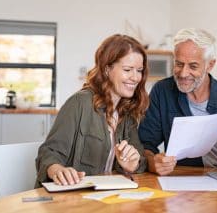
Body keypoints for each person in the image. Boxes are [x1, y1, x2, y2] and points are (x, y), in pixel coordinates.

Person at [35, 34, 149, 187]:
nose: (135, 78)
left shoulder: (127, 112)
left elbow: (141, 160)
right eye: (128, 70)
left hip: (106, 197)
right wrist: (57, 170)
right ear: (107, 69)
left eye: (139, 70)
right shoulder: (79, 103)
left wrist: (132, 165)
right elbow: (48, 153)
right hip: (71, 198)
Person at [139, 28, 217, 176]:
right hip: (184, 183)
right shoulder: (162, 92)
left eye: (193, 66)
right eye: (179, 64)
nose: (183, 73)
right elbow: (145, 144)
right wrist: (153, 162)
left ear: (210, 65)